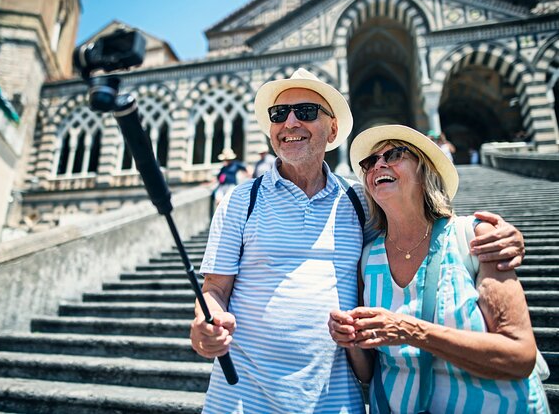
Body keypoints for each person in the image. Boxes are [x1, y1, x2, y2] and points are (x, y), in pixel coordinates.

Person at [190, 69, 526, 413]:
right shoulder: (240, 200)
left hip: (334, 401)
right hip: (240, 399)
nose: (289, 122)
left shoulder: (359, 201)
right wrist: (204, 323)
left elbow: (418, 227)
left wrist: (501, 236)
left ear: (332, 129)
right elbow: (214, 290)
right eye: (279, 114)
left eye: (305, 112)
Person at [329, 125, 548, 413]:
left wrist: (409, 330)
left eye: (394, 154)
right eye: (369, 162)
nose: (378, 165)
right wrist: (352, 340)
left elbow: (519, 355)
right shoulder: (369, 259)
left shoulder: (475, 238)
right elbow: (368, 372)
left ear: (424, 169)